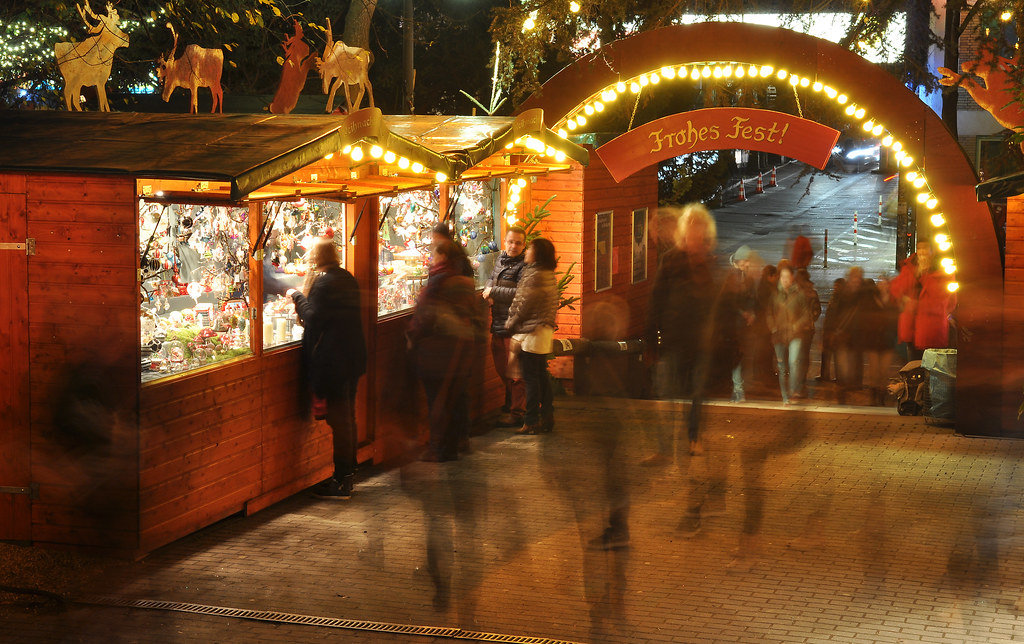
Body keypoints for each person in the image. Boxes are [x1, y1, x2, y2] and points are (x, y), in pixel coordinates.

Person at [291, 238, 367, 499]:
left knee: (340, 421)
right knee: (347, 419)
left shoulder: (323, 283)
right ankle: (348, 473)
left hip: (334, 362)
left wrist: (298, 296)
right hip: (351, 358)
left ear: (317, 257)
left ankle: (342, 480)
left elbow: (313, 319)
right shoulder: (346, 277)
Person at [645, 203, 720, 457]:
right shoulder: (671, 260)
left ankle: (693, 437)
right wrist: (651, 340)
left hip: (700, 341)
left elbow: (715, 305)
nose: (693, 235)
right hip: (673, 339)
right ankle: (663, 447)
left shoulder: (708, 263)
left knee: (697, 393)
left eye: (697, 230)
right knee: (666, 394)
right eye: (689, 229)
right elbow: (656, 299)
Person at [407, 240, 484, 461]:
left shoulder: (439, 280)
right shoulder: (464, 281)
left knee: (437, 400)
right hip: (461, 348)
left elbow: (424, 314)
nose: (432, 257)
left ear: (442, 256)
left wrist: (413, 335)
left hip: (437, 349)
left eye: (434, 253)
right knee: (454, 398)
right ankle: (456, 442)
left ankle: (440, 448)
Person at [505, 236, 559, 435]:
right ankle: (547, 415)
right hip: (542, 329)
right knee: (540, 376)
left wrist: (511, 322)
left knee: (531, 378)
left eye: (529, 249)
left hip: (531, 330)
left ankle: (531, 421)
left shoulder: (534, 274)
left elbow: (525, 305)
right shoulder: (546, 273)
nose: (526, 251)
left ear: (537, 253)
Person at [483, 226, 528, 427]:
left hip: (514, 325)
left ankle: (518, 412)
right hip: (498, 322)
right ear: (505, 241)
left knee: (516, 373)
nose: (513, 246)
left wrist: (493, 291)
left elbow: (520, 293)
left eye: (518, 242)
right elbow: (491, 281)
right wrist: (487, 288)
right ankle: (512, 404)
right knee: (503, 369)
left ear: (524, 244)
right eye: (510, 241)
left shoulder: (525, 266)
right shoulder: (500, 260)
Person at [889, 239, 953, 361]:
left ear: (932, 251)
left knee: (930, 369)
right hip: (911, 327)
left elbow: (943, 300)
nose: (922, 252)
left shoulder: (943, 271)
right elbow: (897, 289)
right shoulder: (909, 267)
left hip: (931, 330)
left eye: (925, 248)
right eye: (919, 248)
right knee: (913, 367)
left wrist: (924, 275)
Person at [768, 260, 812, 404]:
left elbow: (806, 313)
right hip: (779, 333)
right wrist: (773, 327)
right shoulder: (775, 294)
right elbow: (769, 312)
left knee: (793, 362)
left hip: (794, 334)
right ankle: (784, 395)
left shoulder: (799, 293)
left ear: (792, 277)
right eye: (782, 277)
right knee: (781, 366)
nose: (785, 280)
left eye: (787, 277)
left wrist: (796, 326)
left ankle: (793, 391)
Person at [720, 245, 757, 403]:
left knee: (740, 357)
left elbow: (751, 298)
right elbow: (727, 301)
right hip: (733, 325)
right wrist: (744, 312)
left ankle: (737, 389)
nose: (748, 265)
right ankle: (738, 390)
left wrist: (751, 312)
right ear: (739, 260)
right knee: (737, 356)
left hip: (741, 324)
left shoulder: (745, 277)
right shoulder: (730, 277)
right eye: (746, 261)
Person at [860, 277, 899, 406]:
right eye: (880, 284)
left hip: (887, 341)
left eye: (885, 284)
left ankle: (881, 396)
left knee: (884, 371)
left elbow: (896, 319)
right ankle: (874, 396)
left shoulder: (893, 301)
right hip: (874, 341)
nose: (882, 286)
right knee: (874, 371)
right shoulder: (872, 300)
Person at [833, 266, 867, 404]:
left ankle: (850, 389)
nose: (856, 281)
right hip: (844, 334)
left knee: (853, 364)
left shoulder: (864, 294)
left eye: (858, 278)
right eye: (854, 278)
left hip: (857, 335)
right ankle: (842, 390)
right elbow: (835, 313)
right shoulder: (843, 293)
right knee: (843, 366)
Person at [794, 268, 821, 398]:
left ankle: (799, 383)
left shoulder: (796, 292)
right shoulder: (812, 293)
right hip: (807, 329)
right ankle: (800, 382)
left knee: (799, 357)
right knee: (803, 356)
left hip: (799, 330)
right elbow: (817, 310)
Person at [818, 278, 845, 382]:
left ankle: (837, 376)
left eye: (837, 286)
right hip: (829, 329)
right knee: (826, 353)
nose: (835, 288)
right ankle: (825, 375)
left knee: (835, 354)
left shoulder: (841, 299)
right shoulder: (834, 297)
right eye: (835, 286)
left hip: (834, 330)